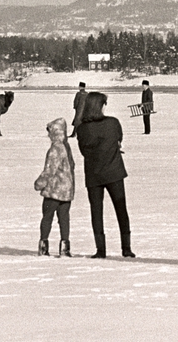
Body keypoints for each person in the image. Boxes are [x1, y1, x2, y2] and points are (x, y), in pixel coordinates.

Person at [75, 91, 133, 258]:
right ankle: (126, 248)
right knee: (121, 209)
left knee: (96, 211)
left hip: (93, 174)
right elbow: (119, 140)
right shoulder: (113, 123)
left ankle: (100, 250)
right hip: (114, 172)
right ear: (100, 105)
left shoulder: (82, 128)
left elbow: (83, 151)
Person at [34, 117, 75, 257]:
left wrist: (40, 183)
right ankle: (65, 247)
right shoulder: (66, 147)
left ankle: (43, 246)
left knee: (47, 217)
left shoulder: (55, 149)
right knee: (64, 219)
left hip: (53, 190)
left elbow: (50, 170)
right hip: (66, 190)